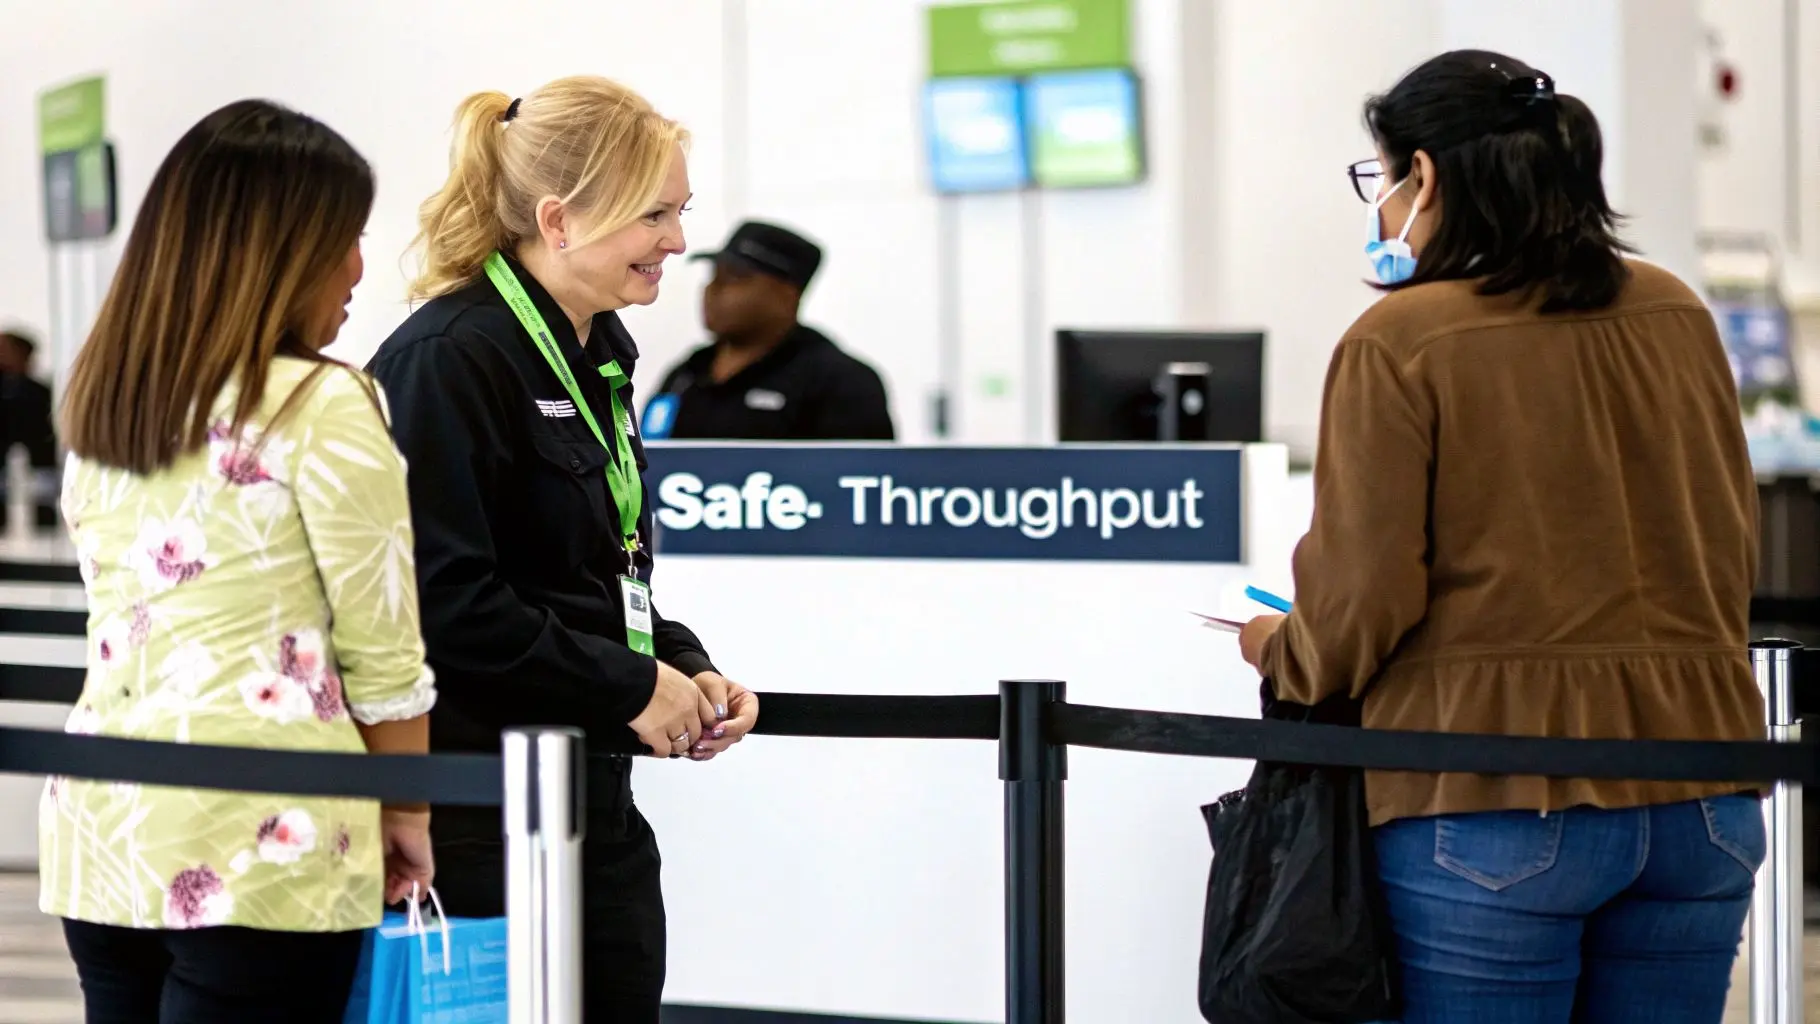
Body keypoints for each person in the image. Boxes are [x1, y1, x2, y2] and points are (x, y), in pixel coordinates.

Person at [1236, 51, 1763, 1023]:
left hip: (1489, 798)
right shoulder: (1675, 310)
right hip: (1704, 791)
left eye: (1381, 177)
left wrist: (1280, 650)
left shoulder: (1399, 339)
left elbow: (1360, 600)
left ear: (1424, 175)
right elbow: (1726, 539)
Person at [367, 76, 760, 1022]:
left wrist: (683, 666)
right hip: (479, 822)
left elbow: (594, 571)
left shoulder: (601, 352)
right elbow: (446, 602)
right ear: (560, 219)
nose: (676, 241)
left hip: (594, 801)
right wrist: (630, 687)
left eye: (681, 212)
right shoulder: (449, 359)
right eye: (654, 215)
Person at [41, 99, 437, 1023]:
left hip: (103, 818)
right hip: (267, 833)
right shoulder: (324, 403)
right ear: (280, 252)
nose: (357, 266)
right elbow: (383, 652)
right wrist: (409, 816)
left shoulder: (109, 402)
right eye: (344, 235)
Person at [647, 220, 894, 440]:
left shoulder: (840, 382)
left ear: (787, 296)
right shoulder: (686, 374)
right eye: (714, 275)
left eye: (734, 278)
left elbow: (861, 481)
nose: (713, 289)